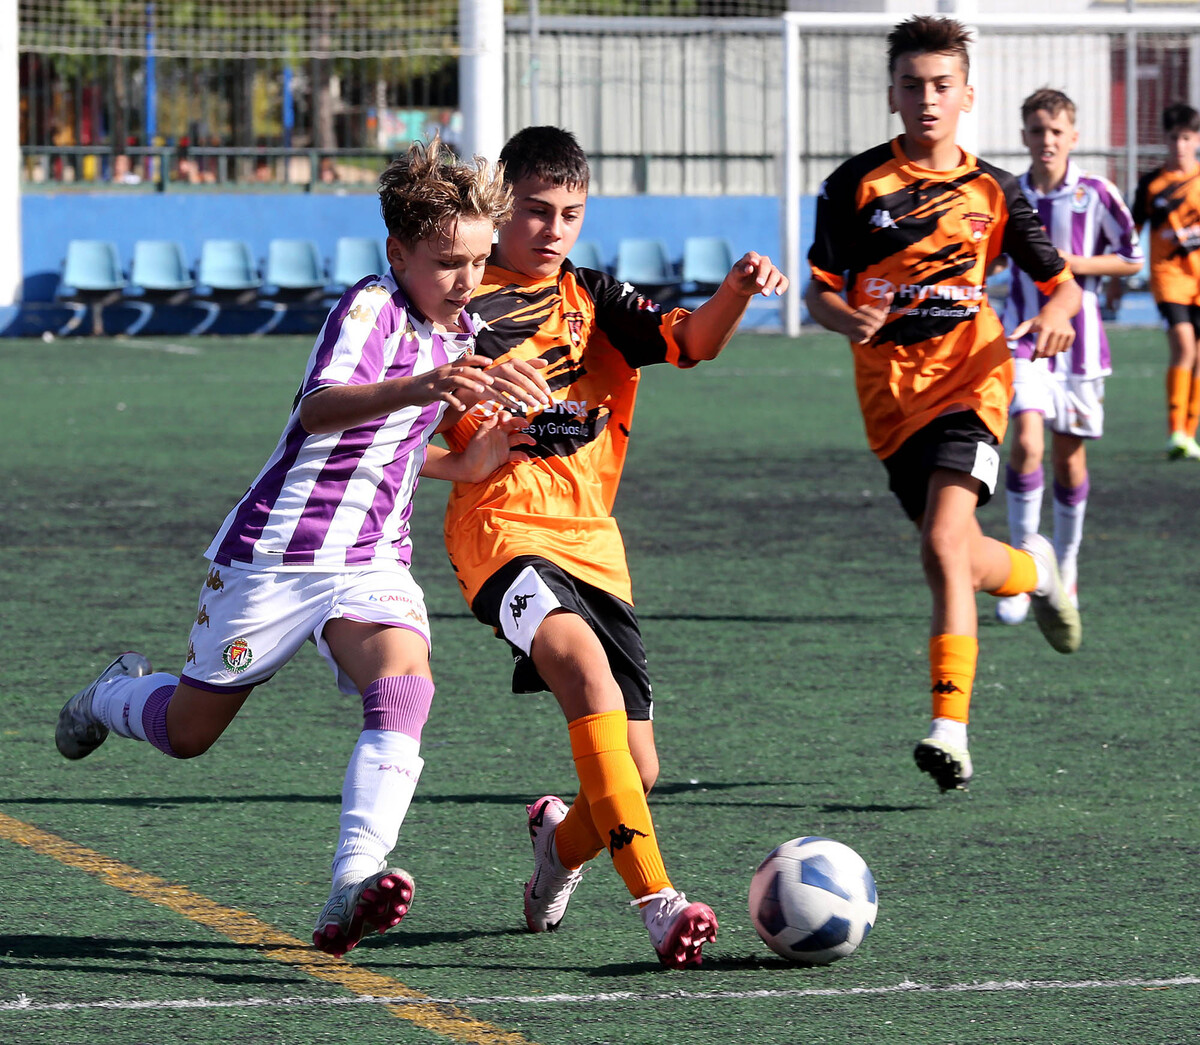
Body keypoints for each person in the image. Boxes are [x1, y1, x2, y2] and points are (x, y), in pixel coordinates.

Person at [54, 137, 549, 958]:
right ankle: (111, 694)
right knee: (189, 732)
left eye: (479, 259)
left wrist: (464, 459)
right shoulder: (370, 309)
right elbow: (319, 412)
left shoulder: (461, 329)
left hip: (372, 561)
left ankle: (353, 879)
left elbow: (385, 448)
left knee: (404, 684)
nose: (468, 280)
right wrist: (429, 386)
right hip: (276, 556)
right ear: (398, 253)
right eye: (448, 262)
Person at [439, 126, 787, 967]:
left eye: (570, 213)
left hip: (594, 545)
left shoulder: (594, 299)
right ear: (499, 201)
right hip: (498, 537)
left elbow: (694, 342)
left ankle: (558, 847)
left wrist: (737, 291)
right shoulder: (455, 304)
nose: (553, 229)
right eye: (534, 211)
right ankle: (660, 904)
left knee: (637, 768)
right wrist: (472, 438)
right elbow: (405, 437)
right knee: (582, 668)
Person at [804, 15, 1083, 793]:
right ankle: (1036, 569)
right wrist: (842, 315)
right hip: (891, 400)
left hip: (973, 382)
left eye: (942, 86)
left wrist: (1056, 316)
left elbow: (1059, 286)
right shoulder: (854, 186)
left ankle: (949, 729)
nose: (927, 99)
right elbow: (820, 291)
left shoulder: (994, 191)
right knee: (957, 551)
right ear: (892, 94)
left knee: (940, 544)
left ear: (967, 94)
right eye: (912, 86)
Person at [994, 88, 1143, 626]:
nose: (1047, 140)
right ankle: (1020, 573)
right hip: (1026, 343)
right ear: (1024, 137)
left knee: (1068, 460)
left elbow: (1131, 259)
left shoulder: (1097, 193)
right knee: (1026, 445)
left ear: (1073, 136)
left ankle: (1067, 566)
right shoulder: (1008, 196)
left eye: (1057, 131)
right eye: (1037, 131)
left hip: (1081, 348)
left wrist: (1074, 263)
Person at [1131, 103, 1200, 459]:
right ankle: (1175, 431)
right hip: (1168, 277)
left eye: (1186, 138)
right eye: (1173, 138)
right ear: (1164, 139)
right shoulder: (1152, 184)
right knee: (1184, 347)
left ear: (1197, 139)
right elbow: (1132, 231)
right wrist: (1118, 278)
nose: (1179, 146)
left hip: (1198, 278)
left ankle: (1189, 435)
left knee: (1199, 356)